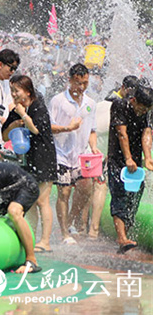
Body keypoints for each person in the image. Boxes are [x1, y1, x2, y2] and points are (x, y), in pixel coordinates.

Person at [2, 75, 56, 253]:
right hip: (28, 159)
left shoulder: (37, 106)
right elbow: (3, 135)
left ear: (27, 91)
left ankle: (45, 241)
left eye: (16, 91)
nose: (14, 94)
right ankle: (31, 237)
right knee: (30, 200)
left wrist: (23, 115)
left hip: (44, 157)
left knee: (42, 200)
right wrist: (15, 123)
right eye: (12, 91)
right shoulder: (17, 109)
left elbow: (36, 129)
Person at [49, 64, 98, 243]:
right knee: (64, 193)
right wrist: (67, 128)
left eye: (85, 83)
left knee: (86, 188)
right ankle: (64, 233)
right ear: (70, 80)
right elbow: (49, 127)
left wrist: (94, 147)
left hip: (81, 155)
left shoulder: (90, 103)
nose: (82, 87)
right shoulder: (58, 101)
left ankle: (69, 220)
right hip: (61, 154)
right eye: (78, 83)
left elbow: (92, 130)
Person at [105, 85, 153, 254]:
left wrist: (147, 157)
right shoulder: (120, 105)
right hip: (118, 160)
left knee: (135, 195)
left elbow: (146, 133)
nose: (143, 112)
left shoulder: (147, 110)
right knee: (119, 195)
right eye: (142, 108)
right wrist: (127, 158)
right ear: (133, 101)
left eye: (147, 109)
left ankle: (127, 233)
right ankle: (122, 239)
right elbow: (121, 133)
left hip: (135, 161)